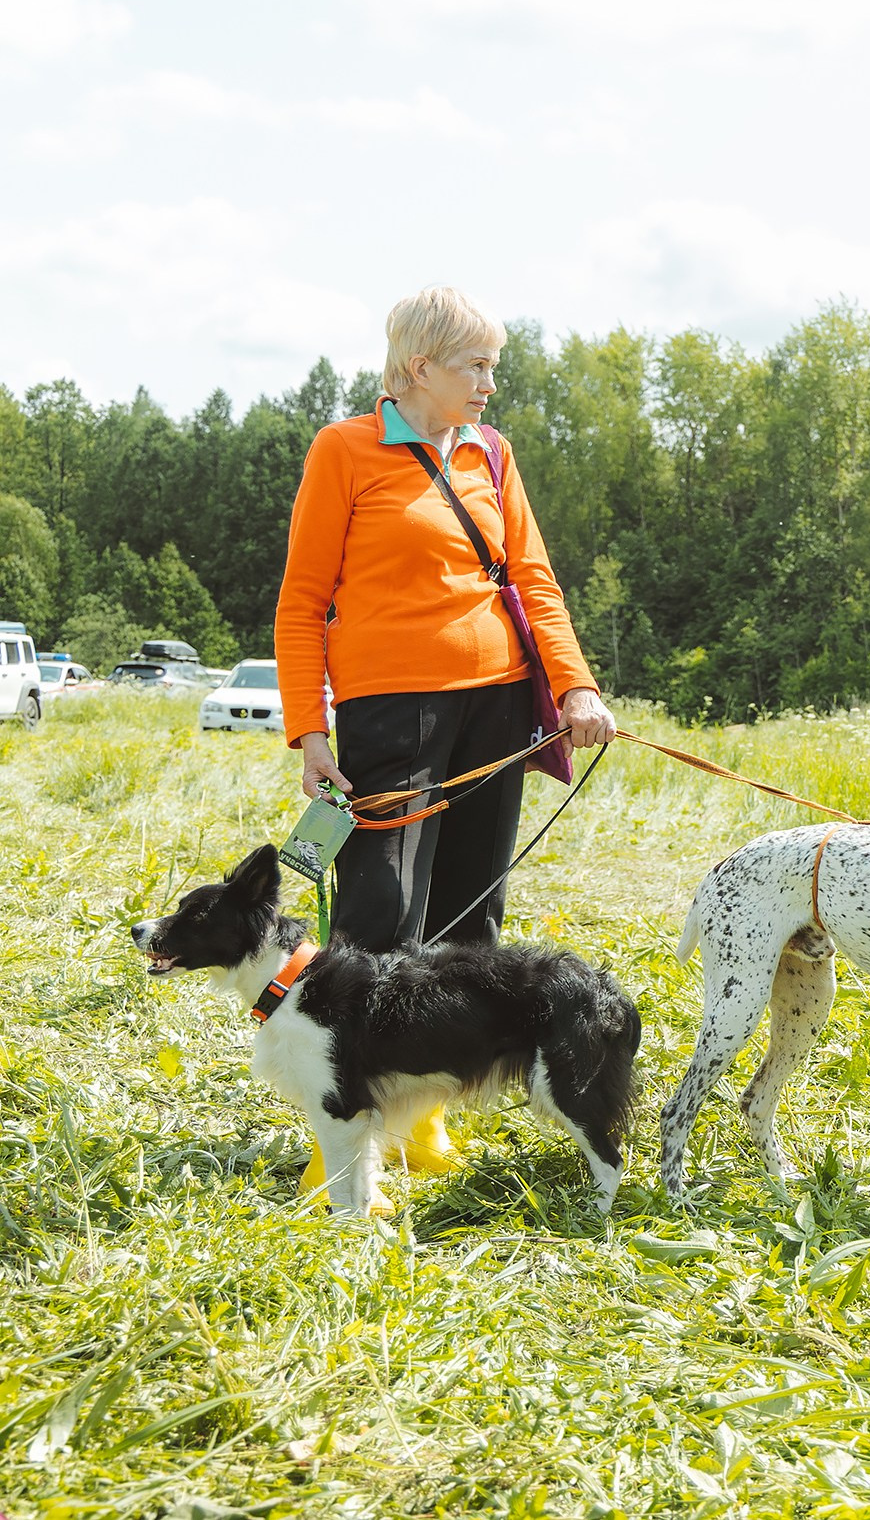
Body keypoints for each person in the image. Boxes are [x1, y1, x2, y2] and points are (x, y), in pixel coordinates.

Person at [275, 286, 615, 1184]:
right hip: (391, 711)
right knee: (380, 918)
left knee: (472, 926)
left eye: (494, 366)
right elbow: (302, 604)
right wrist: (310, 730)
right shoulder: (343, 449)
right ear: (418, 367)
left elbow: (534, 581)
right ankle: (343, 1149)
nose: (489, 384)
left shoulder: (492, 453)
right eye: (476, 366)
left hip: (498, 708)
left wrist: (575, 687)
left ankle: (421, 1120)